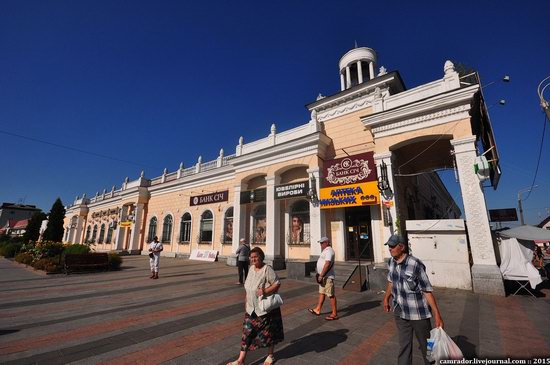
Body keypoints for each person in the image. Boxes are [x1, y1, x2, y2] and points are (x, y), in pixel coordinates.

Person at [382, 234, 444, 365]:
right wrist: (386, 298)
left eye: (393, 246)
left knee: (427, 346)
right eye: (389, 246)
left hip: (418, 314)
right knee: (404, 345)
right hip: (400, 311)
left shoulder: (415, 264)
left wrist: (437, 314)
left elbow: (426, 290)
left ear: (402, 247)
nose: (390, 249)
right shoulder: (391, 262)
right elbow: (390, 282)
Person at [227, 247, 284, 365]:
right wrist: (246, 302)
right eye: (251, 257)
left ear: (261, 257)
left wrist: (264, 291)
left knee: (269, 333)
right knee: (246, 333)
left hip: (264, 309)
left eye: (255, 257)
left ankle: (270, 355)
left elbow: (277, 284)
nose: (253, 259)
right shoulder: (251, 269)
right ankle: (240, 360)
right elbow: (248, 288)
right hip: (251, 308)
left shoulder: (267, 269)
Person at [308, 237, 338, 320]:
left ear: (327, 242)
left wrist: (321, 275)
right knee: (322, 293)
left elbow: (327, 263)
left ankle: (334, 313)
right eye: (320, 243)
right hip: (323, 276)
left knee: (331, 295)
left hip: (327, 277)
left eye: (322, 243)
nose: (320, 244)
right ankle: (318, 309)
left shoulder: (329, 251)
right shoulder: (325, 251)